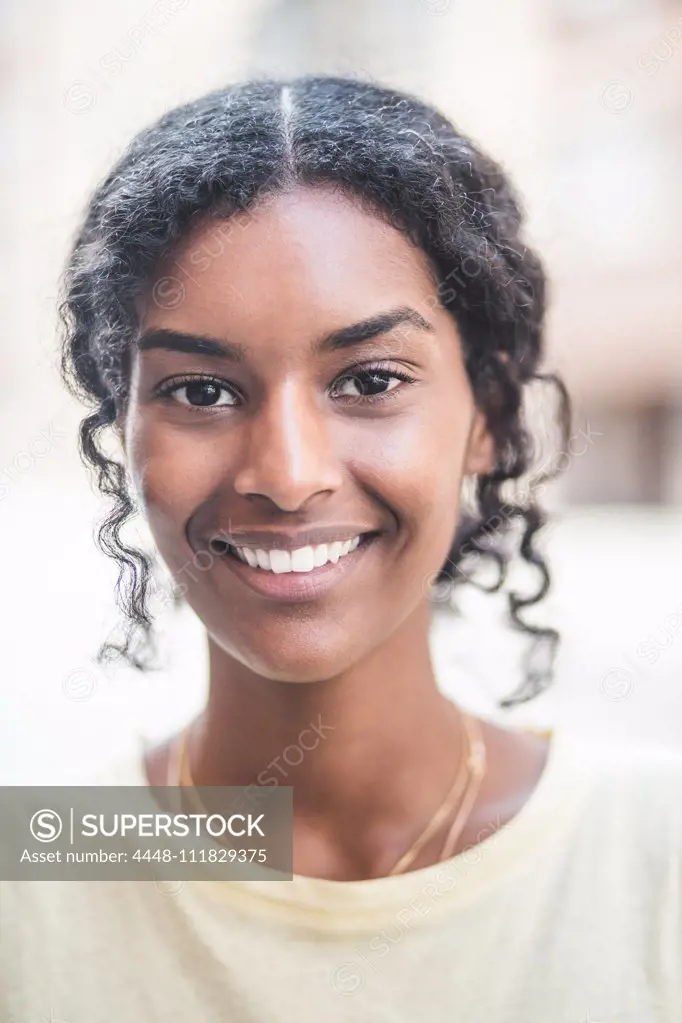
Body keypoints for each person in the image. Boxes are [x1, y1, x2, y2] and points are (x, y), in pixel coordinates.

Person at [2, 75, 681, 1022]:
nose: (285, 473)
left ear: (483, 418)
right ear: (124, 429)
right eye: (200, 391)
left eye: (368, 379)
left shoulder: (657, 852)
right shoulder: (37, 870)